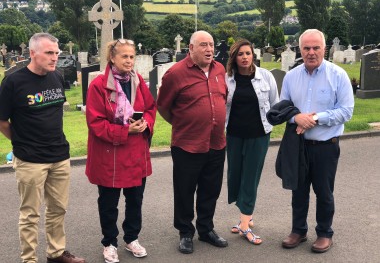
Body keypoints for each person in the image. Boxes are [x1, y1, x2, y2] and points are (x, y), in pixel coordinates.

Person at [0, 33, 86, 263]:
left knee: (58, 209)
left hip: (59, 155)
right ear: (32, 53)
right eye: (49, 53)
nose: (55, 57)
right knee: (30, 214)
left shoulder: (56, 77)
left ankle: (56, 252)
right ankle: (29, 259)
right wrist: (20, 142)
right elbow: (2, 121)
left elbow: (55, 113)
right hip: (30, 159)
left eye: (56, 53)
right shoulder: (13, 82)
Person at [280, 29, 354, 253]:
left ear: (325, 48)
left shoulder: (338, 75)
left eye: (316, 48)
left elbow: (346, 111)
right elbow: (283, 108)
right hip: (299, 146)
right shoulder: (292, 77)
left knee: (324, 192)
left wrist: (315, 118)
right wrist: (296, 117)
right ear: (300, 50)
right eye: (306, 48)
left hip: (326, 147)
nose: (311, 52)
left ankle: (324, 233)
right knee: (298, 191)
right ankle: (298, 230)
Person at [157, 30, 228, 254]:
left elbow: (222, 99)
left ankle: (206, 229)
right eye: (203, 45)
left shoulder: (219, 69)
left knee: (211, 189)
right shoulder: (175, 74)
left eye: (211, 45)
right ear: (191, 48)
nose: (209, 50)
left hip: (216, 142)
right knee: (185, 190)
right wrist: (184, 125)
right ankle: (185, 232)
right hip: (187, 144)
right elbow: (163, 107)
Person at [85, 38, 156, 263]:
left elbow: (151, 108)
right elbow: (95, 123)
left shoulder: (138, 82)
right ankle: (109, 243)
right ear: (112, 58)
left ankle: (132, 238)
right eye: (124, 56)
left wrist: (145, 124)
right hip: (110, 156)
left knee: (135, 200)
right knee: (108, 203)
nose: (129, 60)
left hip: (136, 153)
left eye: (132, 56)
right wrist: (127, 131)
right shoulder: (98, 86)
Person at [225, 39, 279, 245]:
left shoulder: (265, 77)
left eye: (248, 53)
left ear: (253, 55)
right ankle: (246, 214)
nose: (245, 57)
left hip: (258, 135)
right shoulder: (227, 79)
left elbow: (275, 103)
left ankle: (245, 224)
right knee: (236, 176)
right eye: (240, 54)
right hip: (234, 135)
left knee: (250, 176)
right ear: (234, 57)